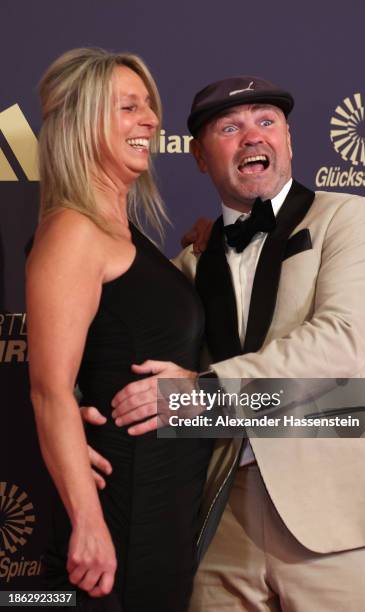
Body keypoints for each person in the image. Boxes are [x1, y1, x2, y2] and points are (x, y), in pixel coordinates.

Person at [84, 76, 365, 611]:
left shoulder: (348, 217)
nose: (252, 137)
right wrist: (73, 406)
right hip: (218, 521)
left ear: (289, 138)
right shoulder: (186, 264)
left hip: (331, 519)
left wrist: (203, 393)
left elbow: (342, 346)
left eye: (266, 121)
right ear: (198, 156)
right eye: (229, 128)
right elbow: (129, 350)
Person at [26, 47, 213, 611]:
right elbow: (49, 389)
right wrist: (87, 522)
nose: (151, 120)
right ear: (84, 123)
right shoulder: (73, 232)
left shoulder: (128, 236)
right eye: (128, 107)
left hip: (162, 508)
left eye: (149, 106)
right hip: (121, 504)